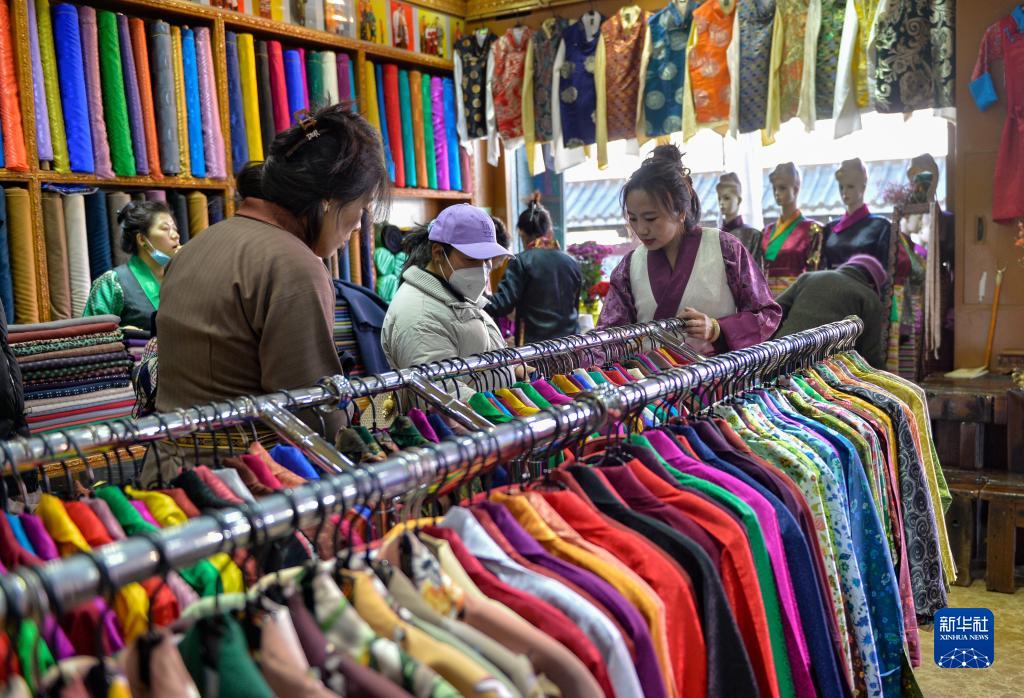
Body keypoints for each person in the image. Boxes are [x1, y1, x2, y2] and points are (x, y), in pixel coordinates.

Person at [145, 104, 388, 485]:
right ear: (329, 200)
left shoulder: (198, 245)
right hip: (249, 483)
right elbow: (310, 410)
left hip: (170, 476)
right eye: (361, 207)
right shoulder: (295, 266)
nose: (359, 224)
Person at [598, 145, 781, 354]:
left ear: (680, 212)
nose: (641, 229)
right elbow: (607, 336)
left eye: (650, 218)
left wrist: (717, 329)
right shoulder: (629, 267)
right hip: (650, 374)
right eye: (633, 219)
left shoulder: (725, 249)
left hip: (717, 373)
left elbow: (767, 314)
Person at [383, 204, 513, 398]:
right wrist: (503, 409)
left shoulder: (458, 294)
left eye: (487, 260)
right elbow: (442, 394)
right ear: (438, 253)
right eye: (472, 259)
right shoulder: (419, 317)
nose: (482, 269)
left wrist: (513, 369)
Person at [485, 194, 582, 344]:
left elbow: (500, 305)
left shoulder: (521, 262)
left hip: (536, 349)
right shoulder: (572, 263)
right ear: (549, 231)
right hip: (570, 345)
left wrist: (474, 297)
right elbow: (574, 308)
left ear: (522, 234)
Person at [774, 254, 889, 368]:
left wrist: (771, 344)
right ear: (872, 284)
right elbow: (870, 354)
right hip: (822, 367)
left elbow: (774, 312)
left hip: (779, 353)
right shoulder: (870, 298)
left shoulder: (809, 277)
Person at [82, 201, 180, 333]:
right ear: (142, 240)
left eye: (175, 229)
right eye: (165, 229)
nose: (175, 235)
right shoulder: (113, 282)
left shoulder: (182, 278)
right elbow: (90, 335)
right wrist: (121, 334)